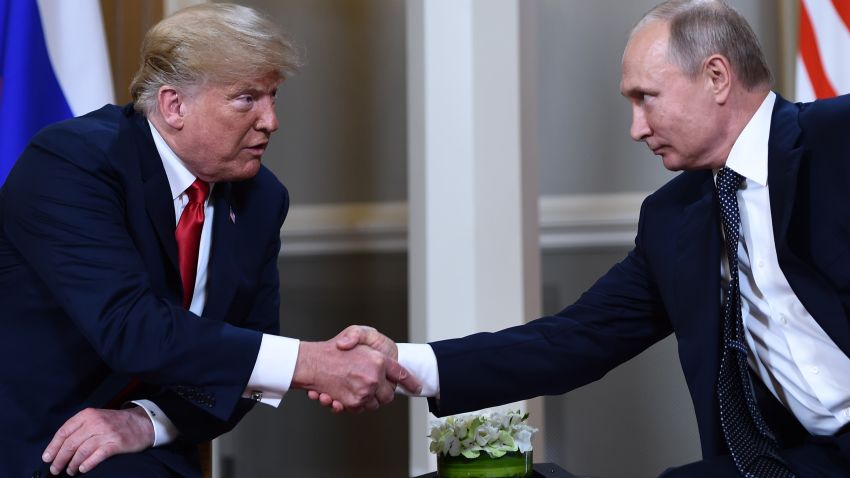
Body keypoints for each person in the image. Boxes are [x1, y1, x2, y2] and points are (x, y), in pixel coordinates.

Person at [325, 1, 850, 476]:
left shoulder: (836, 139)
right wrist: (407, 363)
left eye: (646, 98)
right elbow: (576, 339)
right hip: (804, 458)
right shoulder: (674, 218)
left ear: (716, 77)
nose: (636, 128)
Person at [0, 4, 418, 477]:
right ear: (174, 105)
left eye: (273, 96)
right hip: (42, 442)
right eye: (247, 99)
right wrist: (309, 363)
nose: (271, 120)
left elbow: (247, 356)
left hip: (154, 447)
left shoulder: (261, 197)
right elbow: (130, 327)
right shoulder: (73, 164)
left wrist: (150, 421)